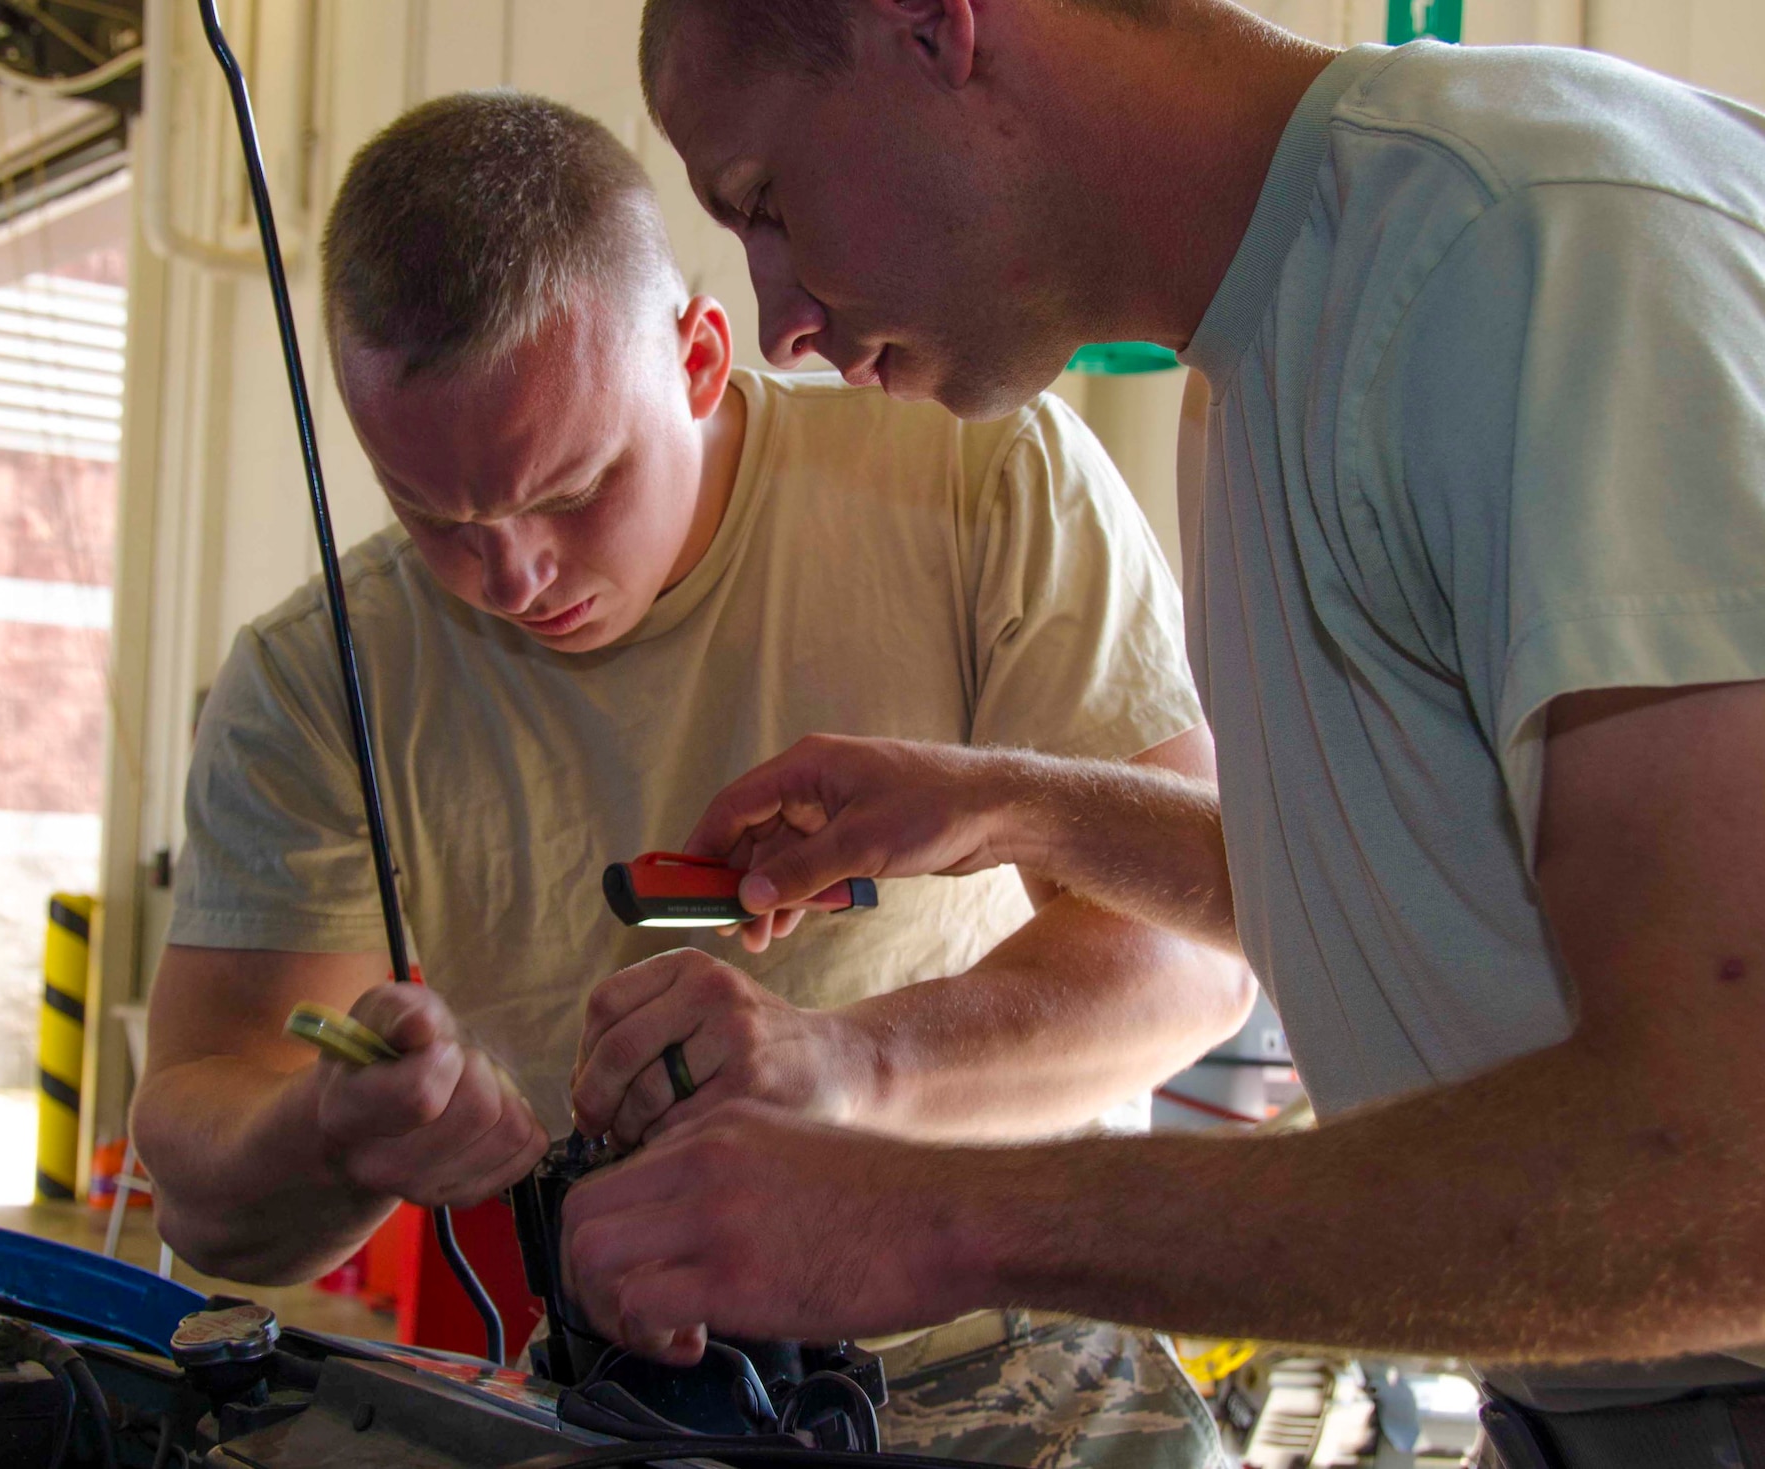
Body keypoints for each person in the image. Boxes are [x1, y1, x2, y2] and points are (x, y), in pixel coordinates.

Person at [559, 2, 1765, 1464]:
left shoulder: (1523, 250)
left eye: (765, 203)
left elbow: (1728, 1160)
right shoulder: (1268, 354)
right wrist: (1013, 812)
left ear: (933, 29)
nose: (783, 324)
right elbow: (1453, 893)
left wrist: (924, 1218)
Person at [131, 91, 1250, 1468]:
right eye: (435, 515)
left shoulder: (978, 480)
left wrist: (850, 1062)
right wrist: (331, 1127)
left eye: (575, 486)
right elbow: (203, 1168)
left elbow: (1195, 960)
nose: (514, 572)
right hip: (629, 1394)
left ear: (702, 357)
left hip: (1017, 1345)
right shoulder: (319, 680)